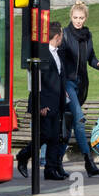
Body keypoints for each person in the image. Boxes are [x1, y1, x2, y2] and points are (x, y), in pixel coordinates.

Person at [15, 21, 69, 181]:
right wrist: (41, 105)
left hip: (56, 102)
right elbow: (38, 82)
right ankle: (23, 155)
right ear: (57, 36)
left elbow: (58, 78)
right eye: (61, 36)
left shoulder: (57, 53)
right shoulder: (43, 54)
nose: (62, 39)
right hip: (44, 103)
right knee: (45, 135)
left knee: (54, 137)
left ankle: (50, 170)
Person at [59, 1, 99, 176]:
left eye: (81, 18)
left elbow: (90, 58)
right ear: (71, 17)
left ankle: (55, 163)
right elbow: (59, 61)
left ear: (85, 18)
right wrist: (61, 85)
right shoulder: (65, 34)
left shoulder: (87, 35)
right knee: (79, 120)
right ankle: (88, 161)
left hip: (81, 84)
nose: (78, 21)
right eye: (75, 17)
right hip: (67, 83)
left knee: (68, 125)